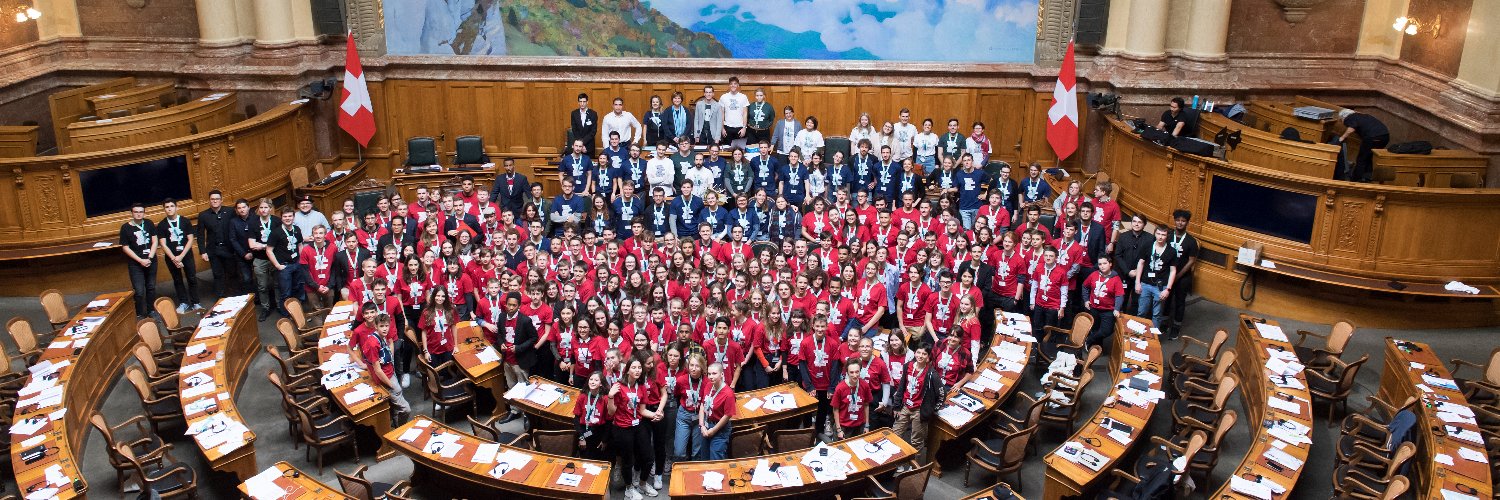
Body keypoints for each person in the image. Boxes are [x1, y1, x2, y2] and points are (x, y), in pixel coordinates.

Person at [351, 306, 411, 424]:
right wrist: (391, 385)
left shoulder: (382, 337)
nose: (385, 329)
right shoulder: (373, 343)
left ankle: (395, 421)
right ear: (376, 327)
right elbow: (377, 370)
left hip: (390, 371)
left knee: (395, 406)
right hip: (386, 378)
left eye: (386, 326)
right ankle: (401, 427)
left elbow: (390, 344)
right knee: (406, 409)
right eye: (381, 326)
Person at [609, 356, 657, 499]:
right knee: (627, 460)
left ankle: (642, 484)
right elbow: (611, 412)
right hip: (622, 427)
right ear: (627, 370)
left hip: (638, 424)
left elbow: (642, 410)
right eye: (634, 367)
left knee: (648, 457)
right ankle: (629, 489)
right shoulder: (619, 386)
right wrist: (610, 396)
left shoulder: (641, 386)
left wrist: (655, 414)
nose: (637, 370)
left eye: (639, 368)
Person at [892, 342, 940, 463]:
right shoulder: (908, 366)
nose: (920, 355)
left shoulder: (931, 374)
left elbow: (941, 394)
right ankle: (894, 462)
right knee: (895, 434)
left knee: (916, 441)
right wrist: (897, 407)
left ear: (928, 357)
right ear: (915, 353)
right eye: (918, 352)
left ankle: (915, 466)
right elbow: (901, 387)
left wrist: (930, 410)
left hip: (919, 410)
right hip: (905, 406)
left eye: (924, 354)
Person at [156, 199, 202, 313]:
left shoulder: (185, 221)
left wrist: (181, 256)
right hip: (172, 257)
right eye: (167, 207)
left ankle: (196, 302)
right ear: (164, 209)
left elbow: (191, 239)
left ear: (177, 207)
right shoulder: (162, 225)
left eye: (172, 206)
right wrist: (174, 259)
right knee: (177, 280)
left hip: (186, 255)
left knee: (191, 278)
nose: (170, 208)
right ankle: (184, 303)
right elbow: (163, 244)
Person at [1134, 226, 1178, 331]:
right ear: (1155, 234)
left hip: (1160, 286)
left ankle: (1153, 338)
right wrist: (1137, 282)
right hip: (1145, 283)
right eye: (1158, 234)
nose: (1160, 237)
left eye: (1163, 235)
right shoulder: (1148, 246)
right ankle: (1138, 335)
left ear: (1167, 236)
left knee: (1157, 314)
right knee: (1141, 311)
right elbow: (1140, 263)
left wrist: (1168, 289)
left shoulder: (1171, 251)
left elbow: (1173, 271)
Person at [267, 206, 306, 317]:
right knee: (286, 293)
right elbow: (269, 250)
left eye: (290, 216)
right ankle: (286, 316)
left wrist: (301, 260)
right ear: (281, 218)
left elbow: (300, 244)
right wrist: (277, 265)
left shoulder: (297, 229)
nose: (288, 218)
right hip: (284, 267)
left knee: (298, 289)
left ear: (293, 217)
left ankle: (298, 314)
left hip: (297, 264)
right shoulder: (276, 232)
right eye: (285, 216)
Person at [121, 204, 158, 320]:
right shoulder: (125, 228)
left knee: (151, 287)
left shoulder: (149, 223)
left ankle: (151, 310)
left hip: (151, 261)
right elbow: (125, 247)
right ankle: (140, 314)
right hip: (136, 264)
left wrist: (150, 258)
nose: (138, 214)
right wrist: (141, 260)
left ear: (144, 213)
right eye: (136, 212)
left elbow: (155, 241)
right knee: (139, 291)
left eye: (141, 212)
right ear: (132, 213)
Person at [197, 190, 237, 297]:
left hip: (229, 249)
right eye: (212, 199)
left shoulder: (230, 212)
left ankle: (234, 296)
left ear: (221, 200)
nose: (215, 201)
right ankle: (220, 298)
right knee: (217, 275)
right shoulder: (203, 215)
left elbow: (236, 228)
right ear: (209, 201)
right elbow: (200, 235)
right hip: (213, 250)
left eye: (217, 199)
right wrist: (202, 252)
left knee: (232, 273)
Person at [1166, 209, 1199, 340]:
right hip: (1167, 274)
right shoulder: (1168, 236)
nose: (1180, 223)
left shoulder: (1191, 241)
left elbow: (1191, 261)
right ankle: (1164, 323)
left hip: (1182, 276)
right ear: (1174, 221)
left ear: (1187, 223)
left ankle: (1176, 327)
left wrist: (1178, 276)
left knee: (1180, 301)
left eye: (1183, 221)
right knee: (1166, 299)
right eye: (1178, 220)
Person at [1081, 256, 1125, 348]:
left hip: (1108, 310)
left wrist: (1117, 308)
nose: (1102, 266)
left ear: (1110, 264)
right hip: (1094, 308)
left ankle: (1089, 340)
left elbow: (1119, 295)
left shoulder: (1116, 278)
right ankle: (1096, 349)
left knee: (1106, 331)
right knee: (1095, 328)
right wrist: (1086, 300)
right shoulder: (1094, 274)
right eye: (1100, 264)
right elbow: (1085, 286)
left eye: (1105, 263)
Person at [1337, 108, 1390, 182]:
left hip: (1373, 137)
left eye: (1341, 120)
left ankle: (1355, 179)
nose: (1342, 122)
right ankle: (1367, 178)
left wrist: (1342, 138)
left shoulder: (1350, 117)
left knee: (1362, 159)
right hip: (1385, 137)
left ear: (1343, 117)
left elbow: (1351, 129)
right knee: (1368, 157)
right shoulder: (1362, 116)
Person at [673, 353, 707, 463]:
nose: (693, 368)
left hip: (700, 417)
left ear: (702, 367)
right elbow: (677, 395)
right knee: (679, 451)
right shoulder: (681, 380)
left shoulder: (707, 382)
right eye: (691, 365)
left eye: (697, 366)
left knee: (697, 451)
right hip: (684, 415)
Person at [699, 362, 735, 460]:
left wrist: (713, 430)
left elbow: (727, 415)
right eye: (709, 374)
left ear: (722, 375)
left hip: (720, 429)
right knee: (704, 458)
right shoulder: (708, 385)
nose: (711, 376)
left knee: (715, 459)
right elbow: (703, 404)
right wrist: (701, 425)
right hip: (706, 425)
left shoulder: (728, 394)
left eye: (714, 373)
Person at [248, 199, 277, 320]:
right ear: (258, 210)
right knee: (262, 285)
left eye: (266, 207)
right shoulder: (253, 223)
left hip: (275, 258)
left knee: (278, 284)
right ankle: (265, 307)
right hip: (260, 259)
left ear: (270, 209)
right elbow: (252, 245)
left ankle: (280, 305)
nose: (263, 210)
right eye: (261, 208)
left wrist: (262, 245)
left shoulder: (277, 221)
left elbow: (281, 241)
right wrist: (269, 245)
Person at [574, 371, 611, 461]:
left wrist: (605, 440)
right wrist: (581, 437)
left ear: (601, 383)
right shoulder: (582, 397)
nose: (592, 382)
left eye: (596, 380)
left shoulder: (605, 399)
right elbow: (576, 419)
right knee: (585, 458)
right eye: (591, 379)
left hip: (599, 432)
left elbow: (608, 422)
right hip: (585, 431)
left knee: (599, 458)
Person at [831, 360, 871, 439]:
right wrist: (839, 430)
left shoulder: (865, 385)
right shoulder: (840, 388)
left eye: (857, 372)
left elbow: (866, 405)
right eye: (851, 372)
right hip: (844, 427)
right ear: (847, 373)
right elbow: (835, 409)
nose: (855, 375)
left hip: (859, 426)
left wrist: (866, 425)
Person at [419, 287, 458, 367]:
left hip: (448, 348)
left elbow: (454, 328)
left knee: (448, 373)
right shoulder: (426, 312)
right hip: (432, 349)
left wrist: (456, 346)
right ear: (433, 296)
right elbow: (424, 332)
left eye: (443, 296)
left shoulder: (451, 310)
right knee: (436, 374)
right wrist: (425, 351)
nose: (440, 298)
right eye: (438, 296)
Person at [719, 77, 749, 146]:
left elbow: (745, 113)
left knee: (740, 150)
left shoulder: (743, 97)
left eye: (735, 84)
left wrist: (744, 128)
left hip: (740, 127)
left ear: (738, 85)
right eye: (731, 84)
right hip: (727, 128)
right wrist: (722, 128)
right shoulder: (724, 97)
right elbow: (722, 114)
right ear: (729, 85)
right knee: (727, 149)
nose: (733, 85)